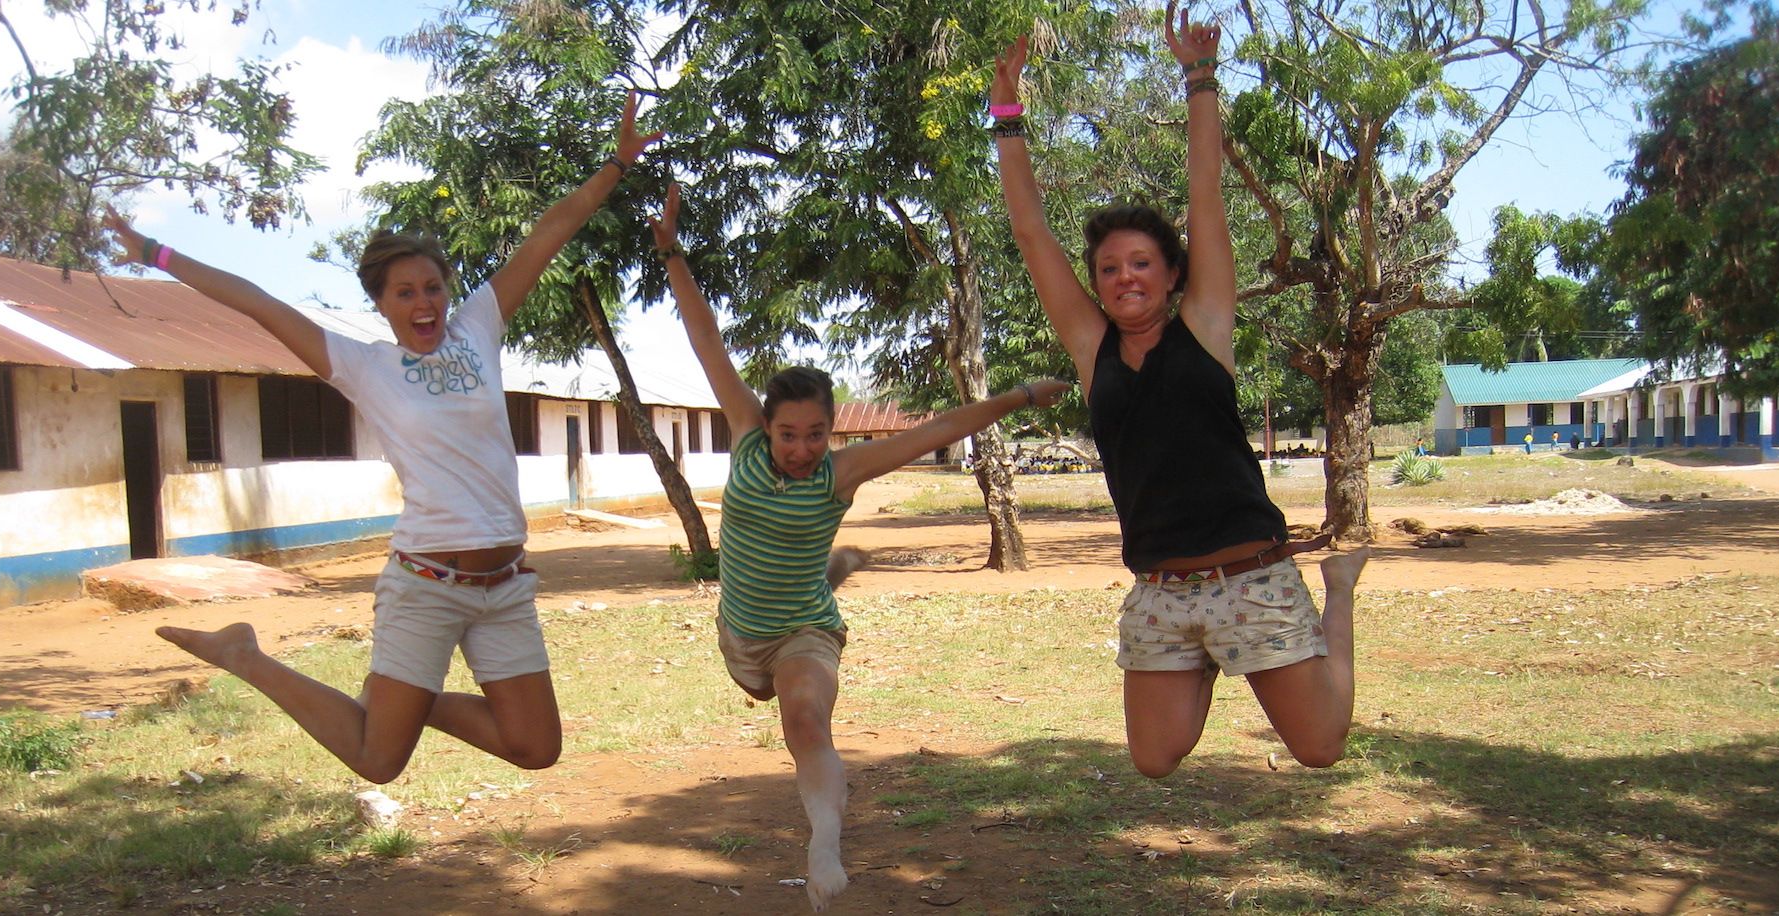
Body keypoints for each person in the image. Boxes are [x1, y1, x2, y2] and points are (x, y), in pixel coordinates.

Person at [104, 94, 663, 784]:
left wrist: (614, 165)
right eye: (404, 293)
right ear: (381, 302)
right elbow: (256, 300)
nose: (423, 303)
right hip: (427, 583)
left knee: (535, 747)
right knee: (377, 760)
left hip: (505, 584)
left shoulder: (479, 328)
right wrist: (153, 251)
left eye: (432, 287)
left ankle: (413, 701)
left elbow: (549, 234)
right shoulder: (365, 368)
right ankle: (246, 656)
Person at [649, 183, 1069, 911]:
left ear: (831, 433)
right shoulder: (746, 435)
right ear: (767, 426)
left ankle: (823, 842)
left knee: (804, 717)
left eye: (817, 434)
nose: (803, 448)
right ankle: (832, 571)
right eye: (790, 434)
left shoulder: (842, 472)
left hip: (802, 634)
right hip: (738, 635)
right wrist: (670, 250)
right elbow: (704, 335)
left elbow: (938, 429)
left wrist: (1020, 396)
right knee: (766, 670)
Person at [991, 12, 1368, 779]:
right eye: (1107, 268)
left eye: (1140, 263)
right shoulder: (1094, 351)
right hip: (1161, 591)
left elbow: (1206, 198)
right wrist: (1007, 115)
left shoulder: (1203, 327)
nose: (1123, 278)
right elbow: (1030, 231)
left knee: (1320, 748)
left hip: (1251, 576)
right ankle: (1206, 660)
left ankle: (1338, 595)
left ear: (1171, 274)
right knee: (1155, 759)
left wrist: (1200, 80)